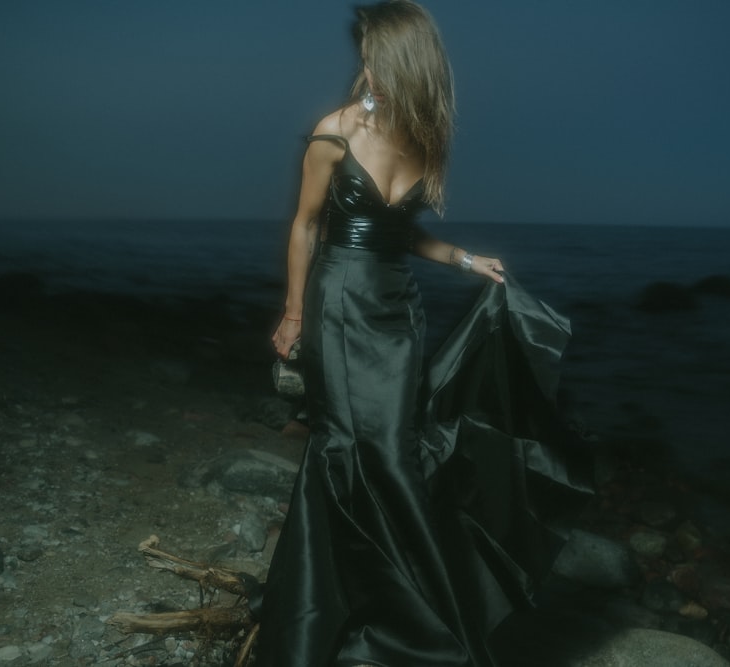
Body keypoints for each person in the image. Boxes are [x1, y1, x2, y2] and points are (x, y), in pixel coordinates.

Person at [257, 3, 588, 665]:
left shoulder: (421, 135)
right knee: (354, 447)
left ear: (409, 65)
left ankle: (404, 606)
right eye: (365, 57)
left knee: (398, 451)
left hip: (398, 311)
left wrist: (466, 260)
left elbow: (400, 234)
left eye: (379, 57)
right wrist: (294, 312)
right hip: (340, 303)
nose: (367, 70)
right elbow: (305, 225)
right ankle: (352, 618)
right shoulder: (335, 132)